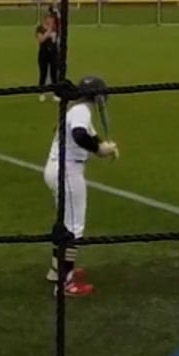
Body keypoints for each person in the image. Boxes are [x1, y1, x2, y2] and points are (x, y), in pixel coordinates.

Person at [43, 75, 116, 297]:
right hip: (67, 172)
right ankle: (65, 284)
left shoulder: (76, 110)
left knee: (65, 223)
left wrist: (103, 147)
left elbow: (90, 137)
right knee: (74, 228)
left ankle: (57, 270)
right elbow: (80, 135)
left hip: (58, 169)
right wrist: (100, 149)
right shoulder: (82, 111)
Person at [35, 7, 63, 101]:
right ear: (45, 19)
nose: (50, 20)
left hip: (53, 54)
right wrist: (48, 32)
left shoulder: (55, 29)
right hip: (43, 54)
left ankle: (56, 93)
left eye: (51, 19)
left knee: (54, 74)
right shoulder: (40, 28)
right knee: (43, 73)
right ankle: (41, 92)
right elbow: (41, 39)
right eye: (49, 18)